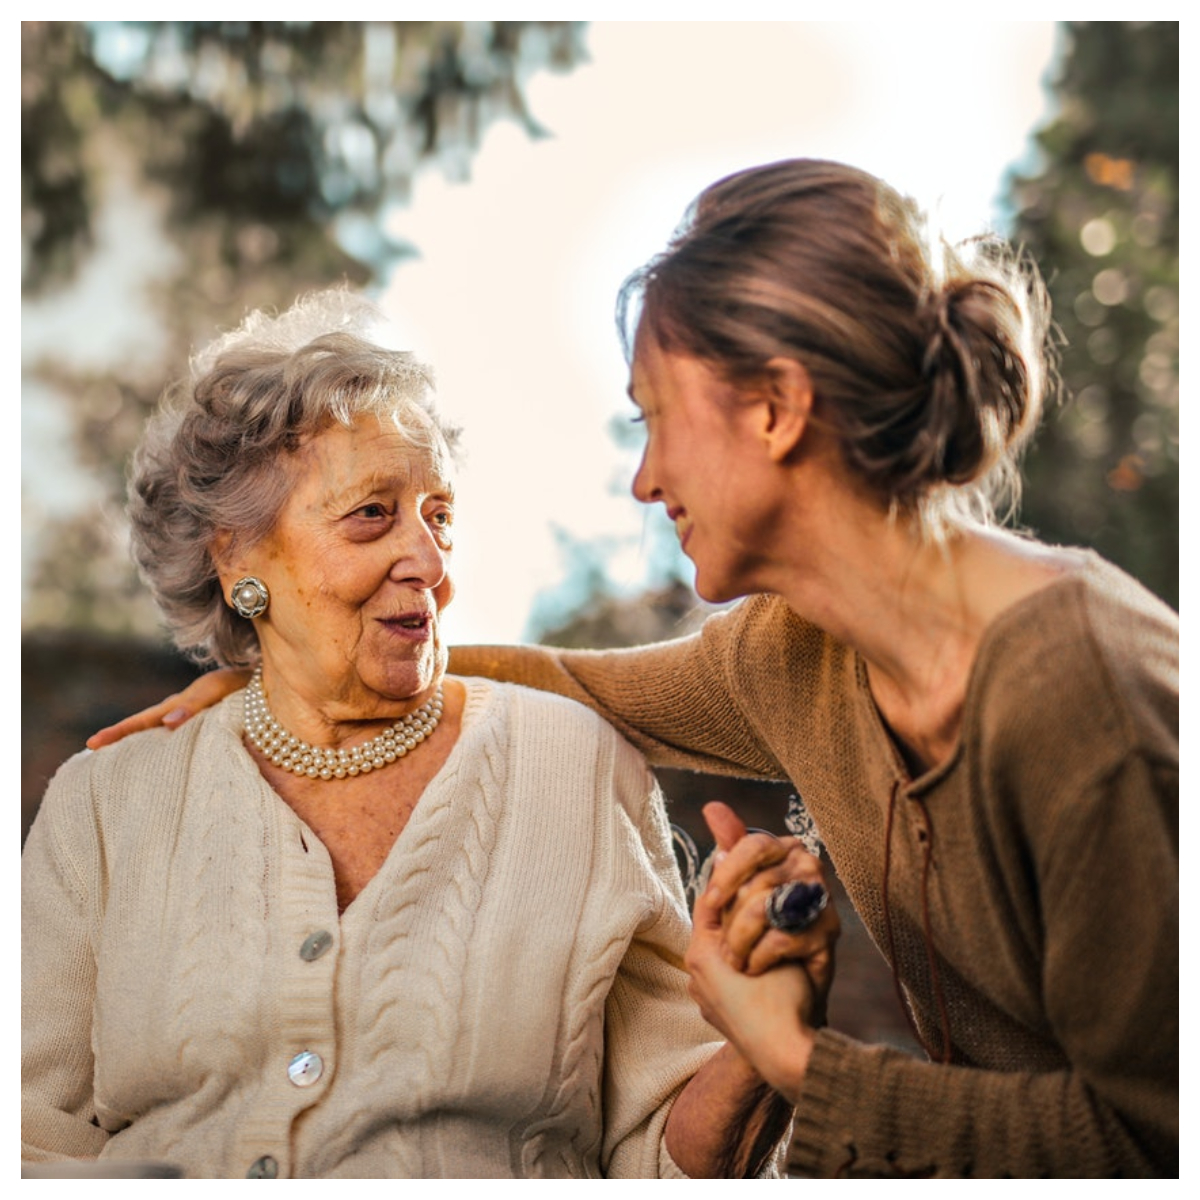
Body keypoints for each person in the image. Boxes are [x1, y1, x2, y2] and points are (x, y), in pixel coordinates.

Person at [89, 160, 1179, 1177]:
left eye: (657, 420)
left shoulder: (1081, 692)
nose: (645, 480)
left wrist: (800, 1064)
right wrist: (292, 669)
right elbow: (575, 681)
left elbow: (1155, 1144)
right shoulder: (797, 654)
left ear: (777, 407)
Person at [22, 289, 805, 1179]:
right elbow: (27, 1141)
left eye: (440, 516)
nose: (431, 566)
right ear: (236, 555)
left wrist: (758, 1047)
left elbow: (660, 1164)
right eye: (372, 515)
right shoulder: (107, 801)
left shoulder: (575, 768)